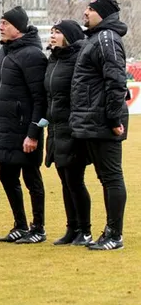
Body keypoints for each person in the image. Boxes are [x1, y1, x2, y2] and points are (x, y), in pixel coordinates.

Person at [71, 0, 131, 251]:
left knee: (111, 177)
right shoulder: (95, 38)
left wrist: (114, 118)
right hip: (92, 120)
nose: (85, 12)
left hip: (103, 121)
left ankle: (114, 235)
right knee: (105, 178)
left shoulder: (106, 38)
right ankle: (108, 232)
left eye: (91, 9)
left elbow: (116, 80)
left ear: (103, 14)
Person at [0, 6, 48, 244]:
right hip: (4, 129)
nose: (0, 26)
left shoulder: (33, 55)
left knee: (31, 178)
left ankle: (38, 228)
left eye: (5, 23)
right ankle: (20, 224)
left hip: (25, 130)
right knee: (5, 174)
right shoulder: (6, 52)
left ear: (18, 27)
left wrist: (33, 133)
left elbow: (40, 99)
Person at [44, 20, 91, 246]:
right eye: (52, 32)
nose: (53, 36)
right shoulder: (53, 59)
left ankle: (85, 230)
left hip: (72, 128)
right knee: (64, 180)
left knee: (75, 180)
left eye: (58, 32)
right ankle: (72, 228)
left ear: (70, 35)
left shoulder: (78, 60)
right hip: (55, 128)